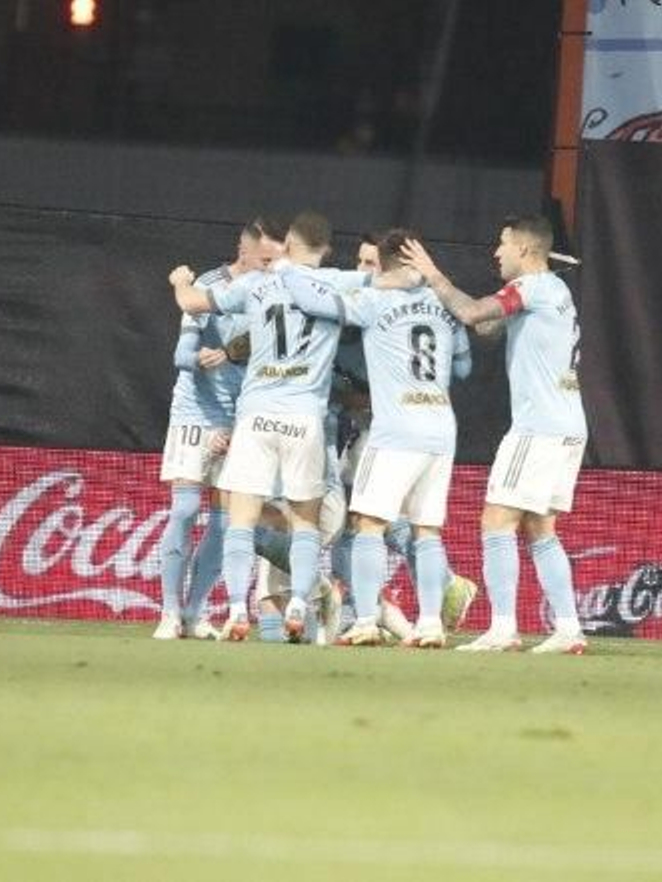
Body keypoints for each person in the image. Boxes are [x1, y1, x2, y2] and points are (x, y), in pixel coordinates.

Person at [170, 212, 365, 642]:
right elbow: (385, 282)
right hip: (305, 419)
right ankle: (299, 604)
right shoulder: (337, 282)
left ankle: (237, 610)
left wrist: (180, 281)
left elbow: (193, 303)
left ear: (289, 244)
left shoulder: (256, 284)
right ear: (326, 249)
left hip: (256, 417)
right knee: (305, 522)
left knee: (240, 519)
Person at [402, 216, 589, 654]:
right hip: (568, 426)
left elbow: (471, 313)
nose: (496, 252)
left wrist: (432, 275)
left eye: (503, 244)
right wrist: (452, 304)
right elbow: (485, 325)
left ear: (524, 249)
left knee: (496, 521)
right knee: (540, 529)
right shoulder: (555, 291)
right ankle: (568, 628)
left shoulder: (533, 288)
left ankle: (503, 628)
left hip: (538, 428)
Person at [282, 229, 472, 647]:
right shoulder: (444, 303)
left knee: (367, 523)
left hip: (396, 429)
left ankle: (366, 620)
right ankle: (430, 624)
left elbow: (313, 301)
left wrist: (287, 267)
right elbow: (463, 367)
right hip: (441, 428)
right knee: (426, 530)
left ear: (383, 266)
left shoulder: (373, 301)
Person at [152, 218, 282, 640]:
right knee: (185, 509)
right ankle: (169, 612)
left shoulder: (274, 295)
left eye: (276, 261)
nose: (271, 268)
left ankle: (194, 611)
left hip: (242, 418)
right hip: (195, 413)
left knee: (226, 523)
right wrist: (202, 358)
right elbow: (181, 355)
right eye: (265, 260)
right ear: (244, 250)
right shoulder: (209, 286)